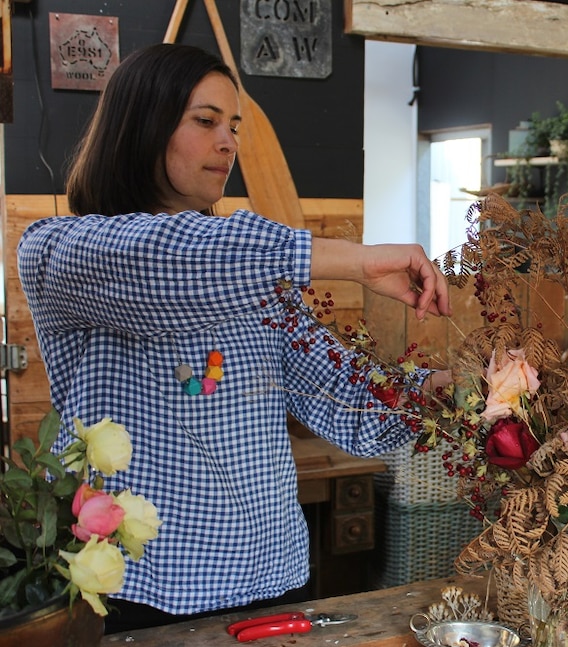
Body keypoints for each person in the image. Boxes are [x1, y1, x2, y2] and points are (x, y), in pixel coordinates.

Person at [17, 43, 451, 633]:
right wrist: (356, 259)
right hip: (142, 587)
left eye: (234, 125)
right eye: (205, 121)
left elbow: (344, 395)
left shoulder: (259, 278)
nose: (229, 142)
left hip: (268, 577)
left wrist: (454, 393)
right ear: (143, 126)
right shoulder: (61, 252)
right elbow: (168, 259)